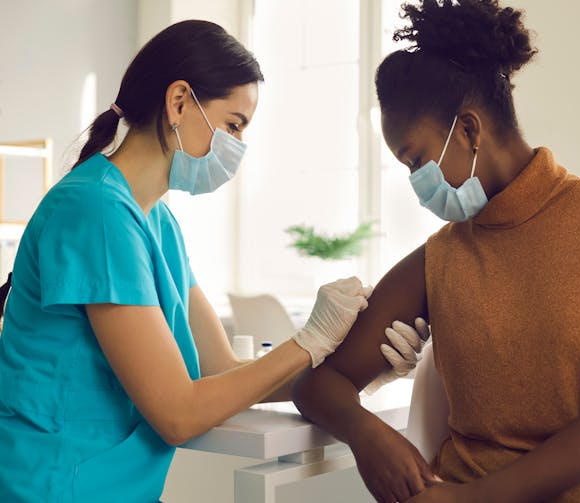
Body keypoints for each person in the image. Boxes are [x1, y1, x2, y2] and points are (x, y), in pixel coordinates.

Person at [0, 20, 427, 502]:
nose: (238, 147)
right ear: (179, 102)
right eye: (233, 125)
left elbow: (218, 369)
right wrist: (309, 341)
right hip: (55, 486)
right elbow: (178, 413)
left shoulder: (156, 222)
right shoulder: (95, 211)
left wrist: (355, 370)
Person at [292, 1, 580, 502]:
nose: (416, 183)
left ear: (470, 130)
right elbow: (320, 385)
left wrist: (471, 500)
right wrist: (367, 434)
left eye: (416, 160)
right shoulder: (440, 259)